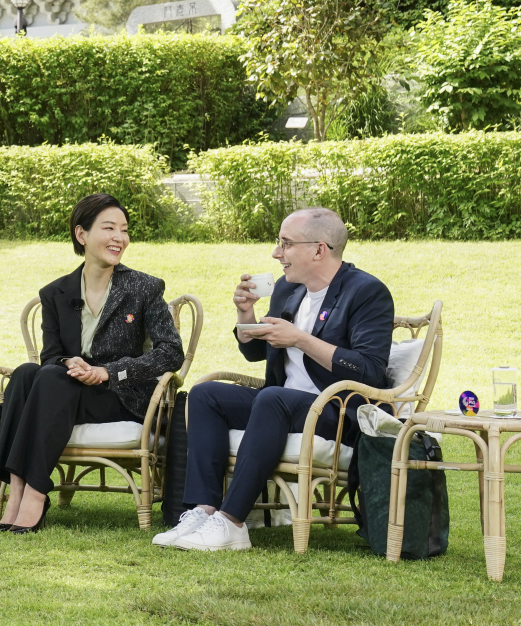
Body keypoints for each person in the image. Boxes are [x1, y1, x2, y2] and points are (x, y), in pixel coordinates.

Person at [156, 206, 394, 552]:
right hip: (282, 404)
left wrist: (301, 339)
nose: (276, 253)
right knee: (206, 394)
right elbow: (258, 354)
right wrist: (246, 315)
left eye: (286, 243)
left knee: (273, 398)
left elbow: (370, 369)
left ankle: (232, 522)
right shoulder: (287, 288)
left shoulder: (367, 292)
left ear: (318, 249)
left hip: (337, 411)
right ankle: (202, 511)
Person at [0, 193, 185, 533]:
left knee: (48, 378)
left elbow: (171, 352)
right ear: (82, 235)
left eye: (123, 230)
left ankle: (34, 493)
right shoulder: (56, 292)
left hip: (121, 398)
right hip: (65, 393)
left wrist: (107, 371)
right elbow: (52, 355)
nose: (119, 238)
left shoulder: (144, 287)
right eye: (108, 228)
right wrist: (74, 364)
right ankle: (17, 491)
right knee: (25, 374)